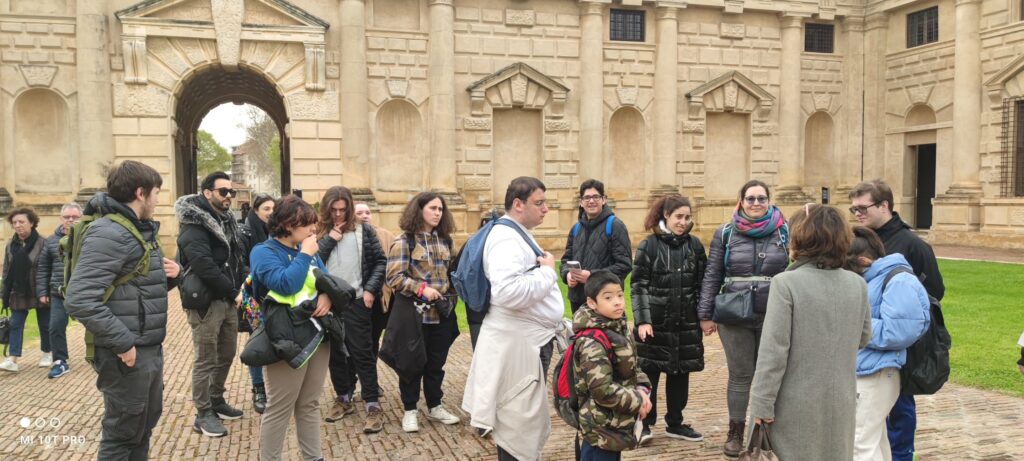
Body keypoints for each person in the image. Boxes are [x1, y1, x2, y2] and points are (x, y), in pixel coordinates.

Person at [65, 160, 181, 460]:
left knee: (141, 428)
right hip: (126, 354)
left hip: (145, 348)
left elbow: (135, 290)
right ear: (140, 193)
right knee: (122, 436)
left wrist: (173, 276)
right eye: (156, 192)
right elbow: (79, 299)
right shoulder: (111, 232)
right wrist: (124, 342)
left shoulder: (135, 229)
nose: (158, 200)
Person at [748, 204, 872, 461]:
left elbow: (773, 352)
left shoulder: (787, 283)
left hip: (794, 404)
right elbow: (863, 337)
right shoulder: (857, 283)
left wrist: (761, 403)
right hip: (841, 401)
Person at [462, 176, 564, 461]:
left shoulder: (516, 232)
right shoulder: (506, 238)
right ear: (518, 204)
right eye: (539, 203)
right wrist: (547, 272)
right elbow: (507, 292)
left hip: (525, 342)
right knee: (515, 422)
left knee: (520, 419)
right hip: (516, 346)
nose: (546, 209)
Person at [849, 179, 945, 461]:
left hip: (903, 341)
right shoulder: (859, 239)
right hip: (868, 349)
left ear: (884, 205)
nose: (858, 214)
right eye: (853, 209)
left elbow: (933, 294)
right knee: (874, 427)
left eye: (863, 208)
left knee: (899, 408)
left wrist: (898, 316)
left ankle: (903, 456)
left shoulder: (913, 245)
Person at [696, 179, 790, 457]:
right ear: (741, 201)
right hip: (734, 314)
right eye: (751, 199)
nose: (757, 203)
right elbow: (713, 273)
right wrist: (705, 314)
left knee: (770, 374)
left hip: (773, 312)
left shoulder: (785, 231)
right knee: (740, 375)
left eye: (762, 198)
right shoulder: (725, 233)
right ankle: (736, 431)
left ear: (769, 201)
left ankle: (766, 430)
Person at [249, 194, 332, 461]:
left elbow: (325, 280)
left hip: (317, 335)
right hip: (284, 338)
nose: (313, 230)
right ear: (287, 224)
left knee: (309, 403)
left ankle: (313, 457)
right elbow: (286, 285)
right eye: (307, 224)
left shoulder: (306, 249)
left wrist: (327, 295)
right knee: (280, 407)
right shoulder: (264, 252)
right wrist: (306, 254)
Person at [846, 226, 930, 461]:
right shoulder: (873, 278)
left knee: (858, 443)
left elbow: (900, 331)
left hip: (878, 373)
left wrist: (852, 322)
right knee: (876, 440)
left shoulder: (899, 280)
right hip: (866, 369)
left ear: (863, 260)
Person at [175, 171, 247, 437]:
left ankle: (216, 399)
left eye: (231, 192)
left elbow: (235, 259)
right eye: (223, 191)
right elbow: (204, 266)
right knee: (205, 359)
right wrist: (232, 290)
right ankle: (203, 413)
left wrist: (239, 286)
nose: (229, 196)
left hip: (227, 298)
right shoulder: (194, 225)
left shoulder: (226, 220)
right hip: (206, 301)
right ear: (207, 193)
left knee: (226, 354)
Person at [631, 195, 707, 444]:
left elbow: (702, 285)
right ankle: (645, 423)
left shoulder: (695, 246)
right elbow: (638, 285)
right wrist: (643, 320)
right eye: (679, 217)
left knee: (679, 373)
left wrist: (703, 316)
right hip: (655, 324)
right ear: (666, 216)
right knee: (649, 373)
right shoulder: (649, 245)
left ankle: (675, 422)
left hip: (685, 322)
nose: (683, 222)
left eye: (687, 217)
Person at [384, 191, 461, 433]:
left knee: (436, 364)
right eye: (433, 208)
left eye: (440, 209)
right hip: (415, 316)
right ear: (419, 210)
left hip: (441, 315)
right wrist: (421, 289)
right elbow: (394, 277)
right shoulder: (405, 241)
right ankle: (410, 410)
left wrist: (452, 296)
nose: (438, 213)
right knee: (411, 364)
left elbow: (451, 274)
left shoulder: (446, 241)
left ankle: (435, 406)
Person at [317, 187, 388, 433]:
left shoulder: (364, 230)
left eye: (342, 210)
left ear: (349, 207)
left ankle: (371, 403)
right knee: (336, 354)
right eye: (333, 210)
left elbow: (380, 261)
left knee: (362, 352)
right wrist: (329, 240)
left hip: (358, 300)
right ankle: (343, 398)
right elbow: (312, 263)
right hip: (329, 304)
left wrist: (370, 289)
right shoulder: (318, 232)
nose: (338, 215)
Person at [573, 270, 652, 461]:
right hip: (600, 428)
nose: (617, 301)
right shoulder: (592, 341)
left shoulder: (617, 327)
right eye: (608, 297)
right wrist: (637, 401)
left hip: (614, 424)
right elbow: (603, 391)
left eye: (619, 295)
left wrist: (642, 388)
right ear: (592, 303)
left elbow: (632, 366)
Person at [560, 179, 632, 314]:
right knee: (580, 335)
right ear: (581, 202)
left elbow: (624, 265)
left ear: (603, 200)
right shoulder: (576, 228)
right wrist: (567, 275)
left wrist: (592, 276)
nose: (591, 201)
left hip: (604, 301)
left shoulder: (615, 226)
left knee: (605, 336)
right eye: (586, 197)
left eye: (596, 197)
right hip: (577, 300)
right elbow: (565, 261)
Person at [36, 203, 83, 378]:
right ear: (61, 218)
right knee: (55, 326)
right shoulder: (51, 241)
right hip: (58, 292)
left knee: (98, 326)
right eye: (67, 217)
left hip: (84, 293)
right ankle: (60, 361)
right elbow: (43, 267)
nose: (71, 220)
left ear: (81, 218)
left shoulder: (89, 237)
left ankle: (103, 358)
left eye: (75, 217)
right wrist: (42, 292)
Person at [1, 207, 50, 372]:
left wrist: (46, 291)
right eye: (14, 222)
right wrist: (5, 294)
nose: (17, 225)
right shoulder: (10, 245)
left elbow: (47, 268)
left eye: (21, 221)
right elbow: (7, 271)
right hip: (18, 291)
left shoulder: (43, 243)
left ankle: (47, 353)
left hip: (39, 289)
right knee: (16, 324)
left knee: (44, 323)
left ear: (31, 223)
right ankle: (13, 359)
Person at [240, 193, 274, 414]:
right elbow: (241, 264)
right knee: (257, 343)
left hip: (276, 294)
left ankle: (276, 389)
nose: (270, 212)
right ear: (255, 210)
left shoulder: (279, 230)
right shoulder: (245, 232)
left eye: (273, 208)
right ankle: (258, 388)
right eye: (266, 209)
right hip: (254, 295)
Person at [355, 201, 395, 351]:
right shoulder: (347, 236)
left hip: (379, 295)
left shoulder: (386, 235)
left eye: (367, 212)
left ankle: (369, 370)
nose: (365, 216)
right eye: (359, 213)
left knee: (374, 336)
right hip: (356, 295)